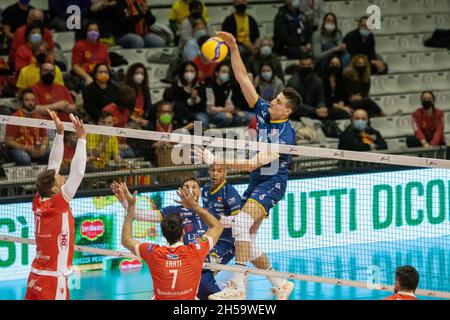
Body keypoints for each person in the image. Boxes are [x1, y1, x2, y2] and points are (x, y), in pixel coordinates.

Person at [204, 31, 301, 300]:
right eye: (275, 98)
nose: (273, 102)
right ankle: (280, 284)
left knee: (240, 226)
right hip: (258, 181)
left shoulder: (285, 135)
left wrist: (217, 160)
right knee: (247, 237)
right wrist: (234, 47)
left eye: (278, 102)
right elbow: (243, 78)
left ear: (287, 112)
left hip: (272, 183)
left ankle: (237, 286)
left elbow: (252, 164)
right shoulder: (263, 111)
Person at [118, 178, 222, 300]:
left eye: (194, 187)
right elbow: (217, 228)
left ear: (199, 191)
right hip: (191, 262)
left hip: (203, 270)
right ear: (183, 231)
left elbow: (126, 240)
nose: (190, 189)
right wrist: (125, 203)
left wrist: (130, 206)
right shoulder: (173, 212)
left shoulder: (154, 252)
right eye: (186, 186)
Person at [24, 110, 87, 300]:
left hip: (35, 276)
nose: (63, 177)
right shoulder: (58, 204)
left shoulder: (38, 201)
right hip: (53, 279)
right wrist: (82, 139)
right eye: (60, 179)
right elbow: (78, 174)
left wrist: (59, 134)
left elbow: (52, 166)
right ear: (53, 190)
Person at [197, 164, 241, 300]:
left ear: (226, 173)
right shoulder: (205, 190)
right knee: (198, 264)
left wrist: (219, 220)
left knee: (208, 264)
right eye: (213, 170)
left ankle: (231, 293)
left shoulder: (229, 192)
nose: (215, 174)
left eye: (219, 171)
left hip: (228, 241)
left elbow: (238, 221)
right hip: (212, 237)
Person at [4, 89, 49, 165]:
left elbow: (45, 138)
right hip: (18, 149)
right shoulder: (15, 117)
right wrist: (27, 148)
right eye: (27, 100)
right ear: (21, 102)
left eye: (32, 100)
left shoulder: (38, 118)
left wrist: (43, 146)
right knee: (24, 158)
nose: (30, 103)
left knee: (51, 153)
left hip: (35, 148)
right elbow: (8, 141)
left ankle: (44, 175)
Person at [204, 62, 254, 127]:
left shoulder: (228, 86)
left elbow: (230, 105)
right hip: (212, 114)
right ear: (216, 73)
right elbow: (210, 110)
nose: (226, 74)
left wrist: (233, 111)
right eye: (223, 72)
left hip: (225, 112)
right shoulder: (210, 87)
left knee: (239, 117)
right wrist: (225, 110)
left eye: (227, 72)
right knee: (227, 117)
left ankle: (234, 136)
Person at [286, 54, 329, 120]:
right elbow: (296, 103)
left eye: (308, 65)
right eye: (303, 65)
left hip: (315, 110)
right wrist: (315, 110)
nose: (306, 67)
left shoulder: (318, 81)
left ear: (313, 65)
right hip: (298, 111)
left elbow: (320, 99)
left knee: (331, 112)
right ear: (299, 66)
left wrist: (321, 107)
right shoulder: (292, 82)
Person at [71, 21, 111, 87]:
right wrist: (87, 77)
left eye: (96, 30)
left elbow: (108, 65)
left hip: (101, 74)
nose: (93, 32)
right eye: (90, 30)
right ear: (86, 32)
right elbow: (75, 66)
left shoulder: (103, 47)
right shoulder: (79, 45)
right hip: (85, 75)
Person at [102, 85, 136, 158]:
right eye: (124, 106)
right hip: (110, 145)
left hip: (123, 144)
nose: (125, 108)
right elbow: (104, 132)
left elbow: (124, 127)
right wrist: (117, 146)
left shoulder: (127, 111)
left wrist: (135, 125)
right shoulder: (108, 110)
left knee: (132, 155)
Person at [170, 61, 207, 127]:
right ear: (182, 72)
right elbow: (177, 106)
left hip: (198, 113)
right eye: (186, 71)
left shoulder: (200, 86)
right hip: (182, 115)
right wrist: (190, 100)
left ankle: (198, 137)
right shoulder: (176, 87)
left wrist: (196, 99)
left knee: (202, 121)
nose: (189, 73)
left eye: (192, 71)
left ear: (196, 73)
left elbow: (203, 106)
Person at [320, 55, 352, 119]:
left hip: (338, 105)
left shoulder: (342, 79)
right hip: (325, 106)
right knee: (344, 113)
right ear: (328, 64)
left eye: (337, 64)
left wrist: (341, 102)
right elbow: (325, 100)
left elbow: (343, 95)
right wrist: (342, 108)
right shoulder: (321, 79)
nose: (335, 66)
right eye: (332, 63)